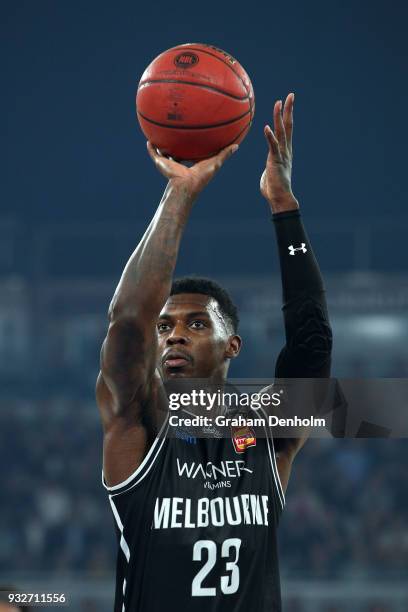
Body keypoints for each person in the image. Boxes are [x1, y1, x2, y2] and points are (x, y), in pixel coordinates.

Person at [96, 93, 332, 611]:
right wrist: (178, 196)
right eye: (166, 327)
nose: (173, 335)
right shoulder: (137, 423)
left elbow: (311, 344)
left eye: (196, 324)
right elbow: (128, 323)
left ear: (233, 345)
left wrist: (284, 208)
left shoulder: (268, 433)